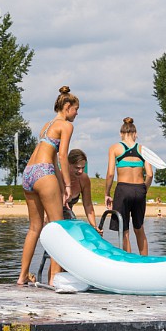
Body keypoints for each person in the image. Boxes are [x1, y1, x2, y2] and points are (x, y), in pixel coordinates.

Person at [17, 86, 79, 285]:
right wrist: (68, 186)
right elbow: (61, 157)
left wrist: (60, 187)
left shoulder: (46, 125)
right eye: (76, 109)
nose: (77, 113)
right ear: (67, 106)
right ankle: (54, 278)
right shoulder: (66, 125)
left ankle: (22, 276)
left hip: (29, 173)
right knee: (58, 228)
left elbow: (51, 158)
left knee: (34, 227)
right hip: (44, 172)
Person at [105, 117, 153, 255]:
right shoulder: (143, 149)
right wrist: (144, 190)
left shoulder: (115, 148)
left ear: (121, 133)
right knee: (139, 228)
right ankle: (145, 261)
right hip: (139, 189)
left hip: (123, 189)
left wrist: (107, 193)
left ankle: (129, 262)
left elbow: (110, 174)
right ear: (135, 133)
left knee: (124, 230)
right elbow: (149, 174)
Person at [63, 149, 102, 232]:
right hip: (53, 216)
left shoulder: (84, 179)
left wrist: (94, 227)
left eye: (83, 168)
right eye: (77, 168)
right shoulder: (59, 177)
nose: (80, 171)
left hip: (68, 216)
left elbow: (88, 205)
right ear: (68, 164)